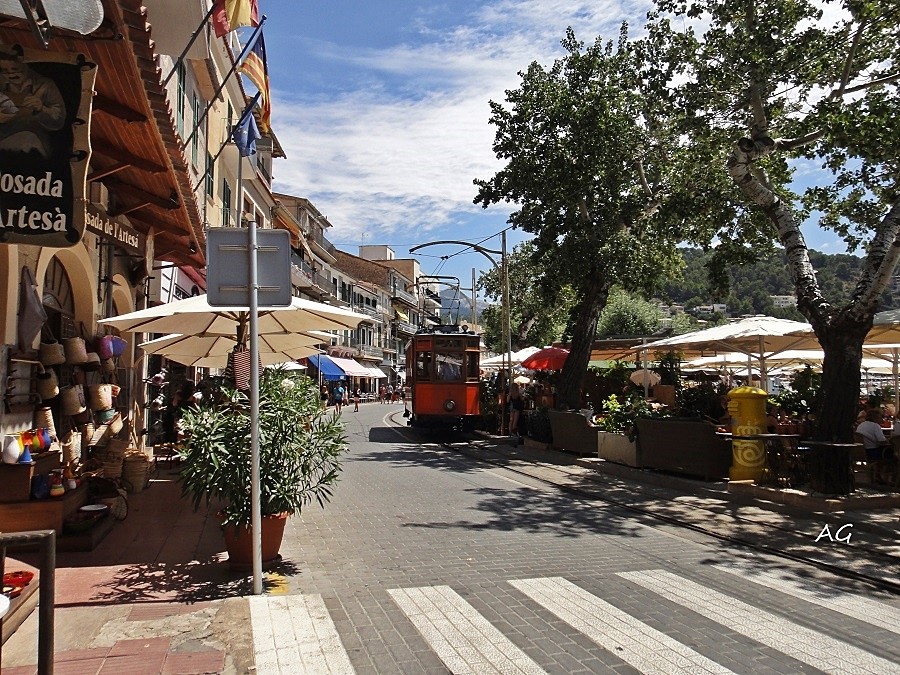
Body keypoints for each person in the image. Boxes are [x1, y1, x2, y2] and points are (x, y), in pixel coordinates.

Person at [0, 56, 66, 156]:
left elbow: (59, 119)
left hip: (34, 142)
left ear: (26, 66)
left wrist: (41, 109)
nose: (11, 74)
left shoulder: (45, 85)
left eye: (15, 69)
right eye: (5, 71)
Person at [856, 408, 890, 483]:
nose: (881, 419)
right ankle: (885, 477)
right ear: (876, 417)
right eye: (880, 417)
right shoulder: (875, 426)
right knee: (891, 456)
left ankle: (877, 475)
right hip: (872, 452)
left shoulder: (861, 425)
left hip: (862, 451)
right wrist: (889, 441)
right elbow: (882, 441)